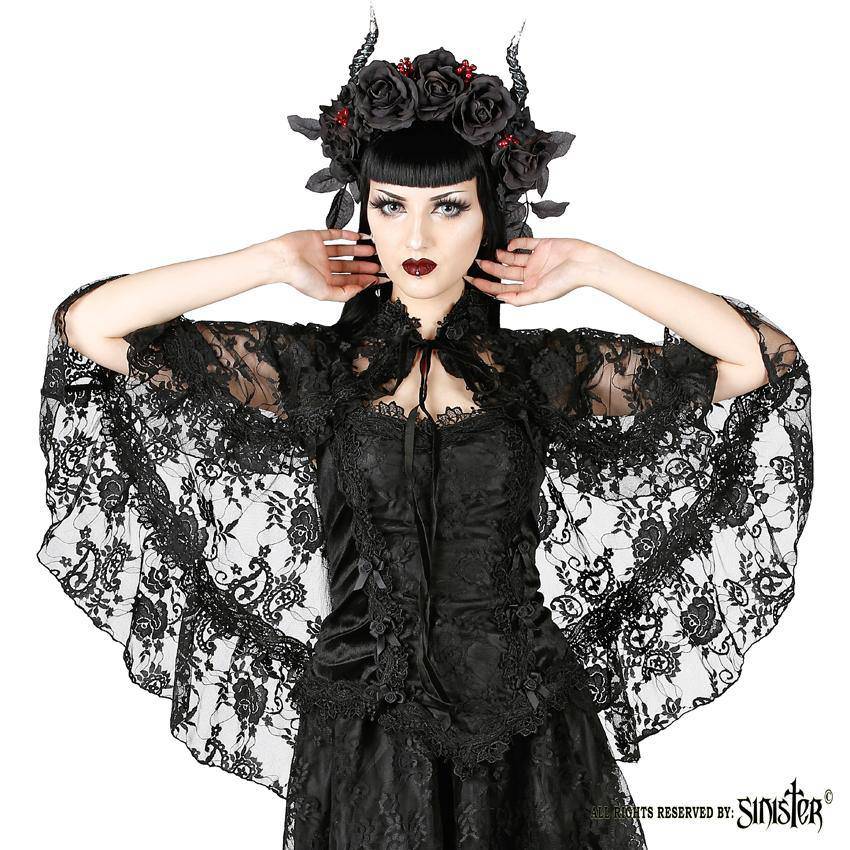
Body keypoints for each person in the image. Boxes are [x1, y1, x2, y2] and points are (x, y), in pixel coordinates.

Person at [37, 10, 813, 849]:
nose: (415, 236)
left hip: (529, 728)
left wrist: (597, 266)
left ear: (490, 214)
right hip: (364, 730)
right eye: (390, 205)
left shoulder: (542, 370)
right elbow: (90, 328)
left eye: (447, 206)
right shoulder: (314, 368)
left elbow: (759, 359)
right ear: (363, 209)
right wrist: (269, 261)